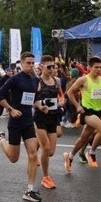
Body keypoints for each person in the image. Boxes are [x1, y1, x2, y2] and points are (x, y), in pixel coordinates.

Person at [0, 51, 41, 202]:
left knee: (33, 155)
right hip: (15, 123)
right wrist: (11, 109)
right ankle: (0, 139)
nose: (31, 66)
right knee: (13, 158)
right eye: (28, 63)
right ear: (22, 63)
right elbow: (0, 96)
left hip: (28, 122)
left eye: (33, 63)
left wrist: (41, 106)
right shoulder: (14, 79)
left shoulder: (35, 80)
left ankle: (30, 190)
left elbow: (34, 99)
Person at [66, 57, 101, 168]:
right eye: (96, 67)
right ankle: (92, 153)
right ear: (89, 67)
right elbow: (69, 92)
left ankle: (70, 156)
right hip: (88, 111)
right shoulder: (83, 80)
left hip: (100, 109)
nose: (99, 69)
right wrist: (78, 106)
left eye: (100, 67)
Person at [33, 55, 65, 190]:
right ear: (41, 67)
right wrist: (40, 106)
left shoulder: (56, 81)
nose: (52, 69)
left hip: (53, 117)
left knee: (51, 152)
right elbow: (32, 101)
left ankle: (34, 148)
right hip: (40, 117)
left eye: (53, 66)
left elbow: (61, 95)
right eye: (49, 67)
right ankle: (46, 177)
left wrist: (62, 101)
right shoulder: (37, 82)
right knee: (46, 148)